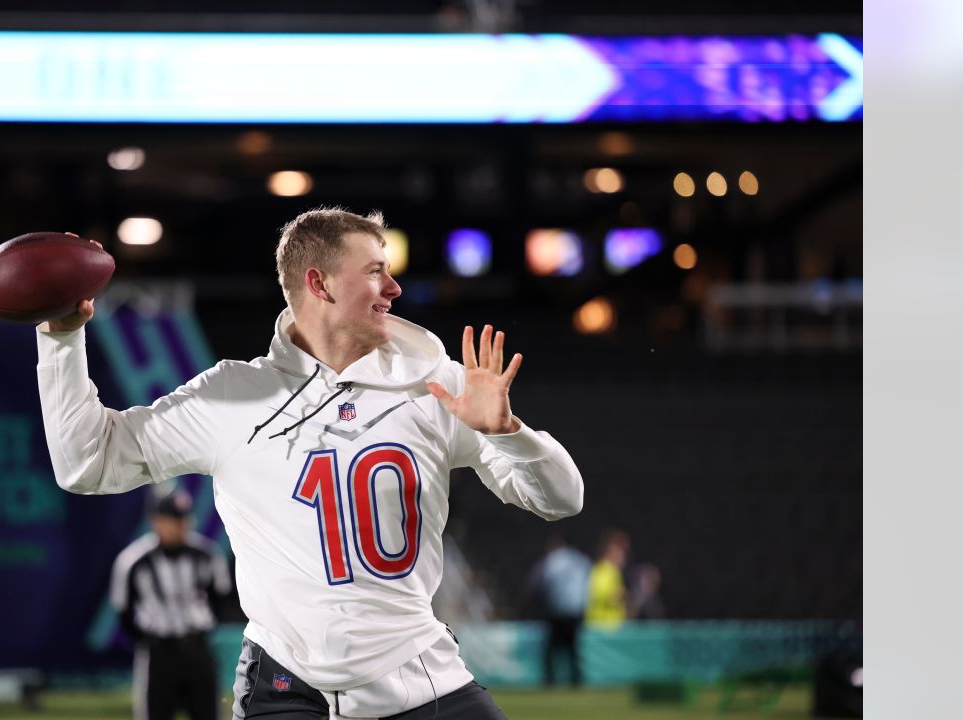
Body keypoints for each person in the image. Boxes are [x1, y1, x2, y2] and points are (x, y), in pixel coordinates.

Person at [35, 208, 584, 719]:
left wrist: (509, 433)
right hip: (284, 687)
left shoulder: (435, 385)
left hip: (419, 678)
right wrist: (62, 339)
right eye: (374, 271)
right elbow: (87, 462)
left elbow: (562, 500)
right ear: (319, 284)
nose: (393, 287)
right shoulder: (234, 394)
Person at [111, 488, 232, 720]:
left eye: (183, 519)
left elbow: (220, 598)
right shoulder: (134, 561)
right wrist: (147, 639)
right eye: (172, 519)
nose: (179, 526)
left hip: (198, 649)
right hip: (158, 653)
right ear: (156, 520)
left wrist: (203, 628)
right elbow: (123, 611)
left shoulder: (206, 555)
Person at [527, 536, 591, 686]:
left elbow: (541, 582)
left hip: (557, 611)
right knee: (573, 649)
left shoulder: (552, 560)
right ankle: (576, 680)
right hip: (576, 611)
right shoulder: (580, 559)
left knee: (550, 649)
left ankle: (550, 680)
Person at [585, 529, 630, 630]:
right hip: (601, 629)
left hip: (611, 628)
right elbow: (598, 594)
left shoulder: (614, 572)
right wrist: (617, 595)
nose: (624, 557)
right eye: (621, 551)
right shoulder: (604, 571)